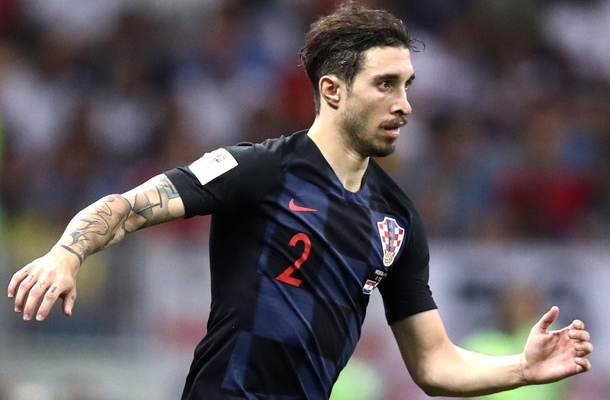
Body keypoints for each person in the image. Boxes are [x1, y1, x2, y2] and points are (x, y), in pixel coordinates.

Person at [7, 2, 593, 399]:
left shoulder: (397, 219)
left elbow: (434, 363)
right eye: (386, 84)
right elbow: (129, 206)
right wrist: (67, 253)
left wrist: (522, 368)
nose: (405, 104)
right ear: (332, 90)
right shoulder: (261, 169)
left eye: (407, 85)